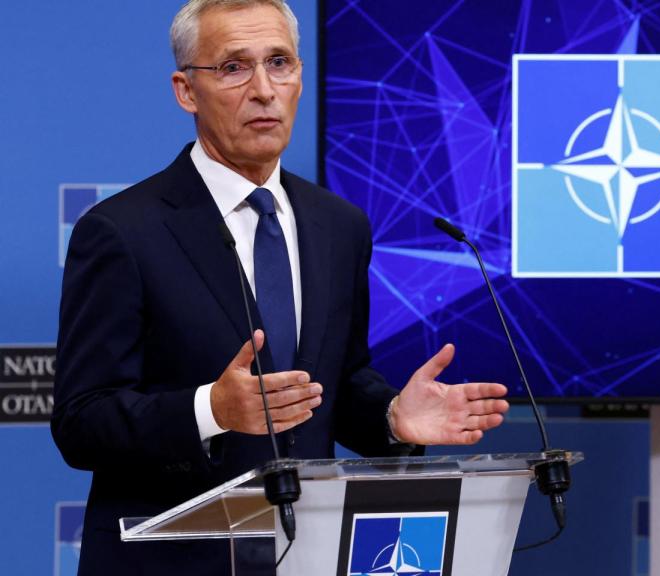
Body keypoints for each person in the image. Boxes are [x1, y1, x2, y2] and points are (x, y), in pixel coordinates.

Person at [50, 1, 509, 574]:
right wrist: (210, 410)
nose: (264, 89)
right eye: (234, 67)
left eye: (279, 62)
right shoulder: (122, 230)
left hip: (307, 556)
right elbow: (80, 422)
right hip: (172, 562)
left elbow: (334, 383)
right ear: (186, 90)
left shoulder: (339, 225)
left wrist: (391, 416)